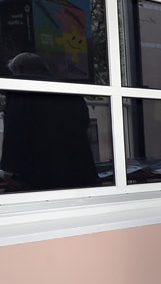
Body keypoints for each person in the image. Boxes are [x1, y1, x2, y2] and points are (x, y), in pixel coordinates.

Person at [0, 52, 98, 191]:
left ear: (19, 70)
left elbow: (15, 134)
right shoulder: (72, 93)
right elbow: (82, 129)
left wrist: (8, 170)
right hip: (79, 171)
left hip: (39, 176)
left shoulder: (20, 91)